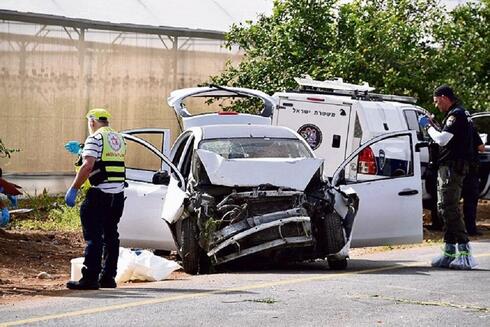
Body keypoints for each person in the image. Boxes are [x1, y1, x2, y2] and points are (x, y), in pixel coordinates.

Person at [65, 108, 126, 290]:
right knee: (111, 236)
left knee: (94, 237)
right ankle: (108, 277)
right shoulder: (120, 138)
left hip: (100, 194)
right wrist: (82, 151)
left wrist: (74, 188)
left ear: (92, 122)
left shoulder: (95, 138)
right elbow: (106, 162)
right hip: (118, 195)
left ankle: (90, 278)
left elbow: (88, 166)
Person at [418, 85, 477, 269]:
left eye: (436, 101)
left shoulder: (456, 114)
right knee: (443, 208)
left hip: (452, 169)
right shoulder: (460, 113)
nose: (436, 105)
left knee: (449, 208)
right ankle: (449, 252)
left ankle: (465, 253)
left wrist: (428, 127)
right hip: (449, 168)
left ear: (444, 97)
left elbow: (443, 139)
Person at [462, 122, 485, 236]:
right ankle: (470, 229)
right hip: (471, 170)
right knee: (470, 201)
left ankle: (456, 229)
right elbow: (481, 148)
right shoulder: (472, 130)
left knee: (452, 202)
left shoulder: (452, 130)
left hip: (456, 170)